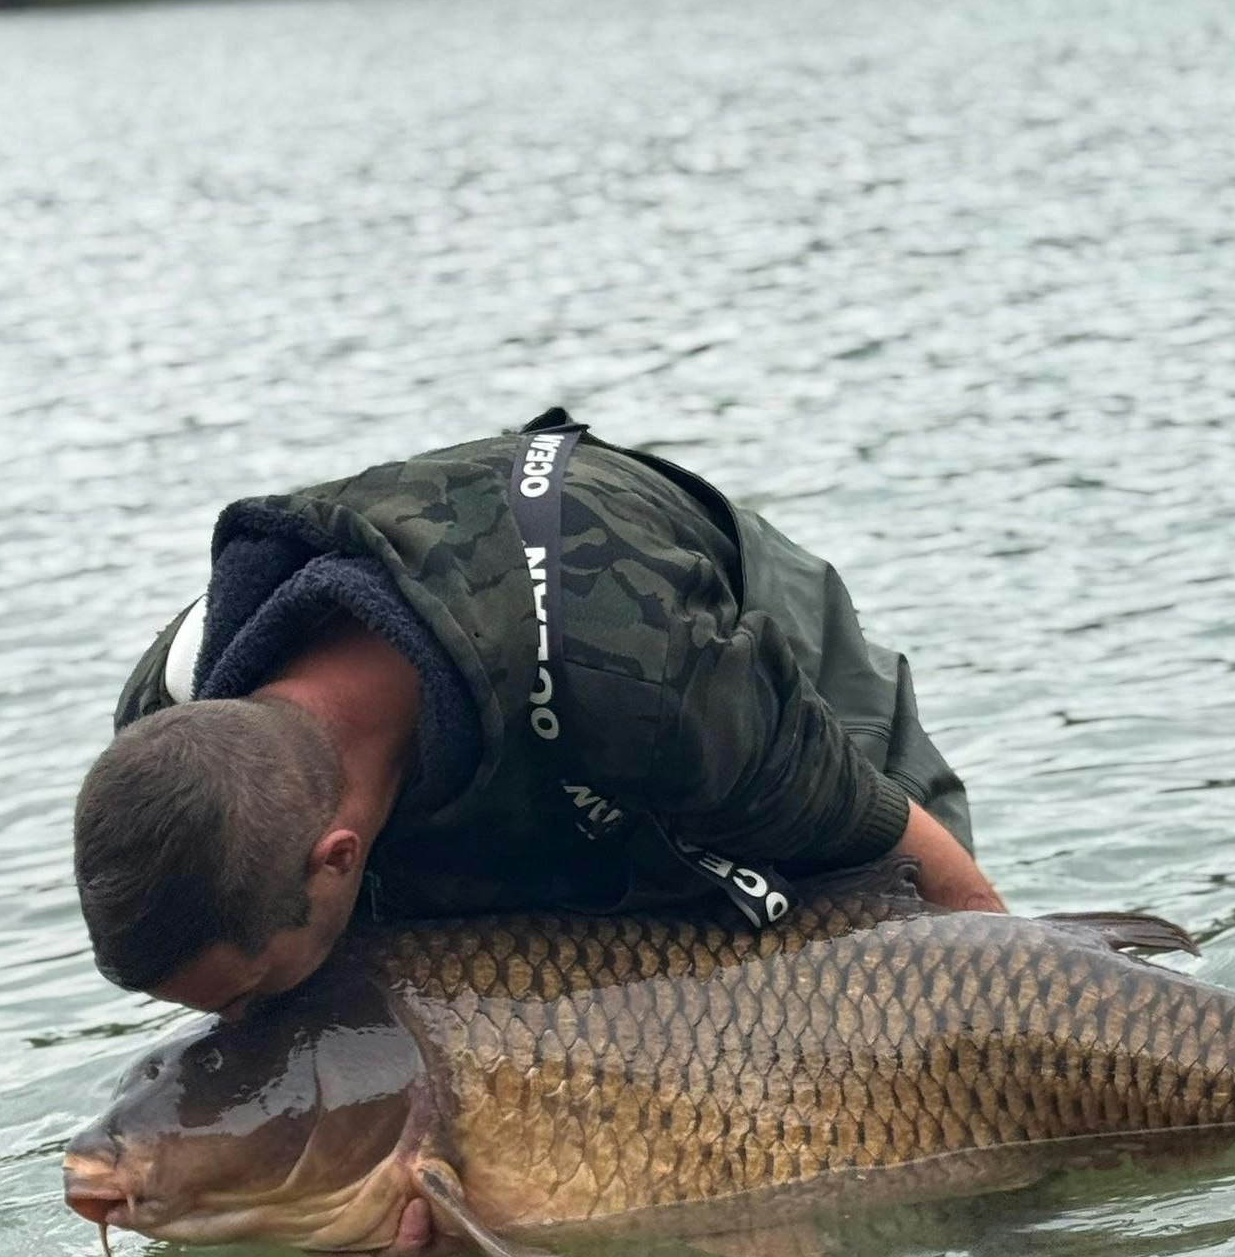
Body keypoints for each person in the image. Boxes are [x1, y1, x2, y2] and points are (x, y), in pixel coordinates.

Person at [75, 413, 994, 1020]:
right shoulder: (168, 726)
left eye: (250, 994)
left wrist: (1026, 1002)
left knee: (906, 969)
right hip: (490, 734)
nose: (247, 1027)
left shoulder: (644, 670)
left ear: (338, 857)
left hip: (692, 645)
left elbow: (913, 861)